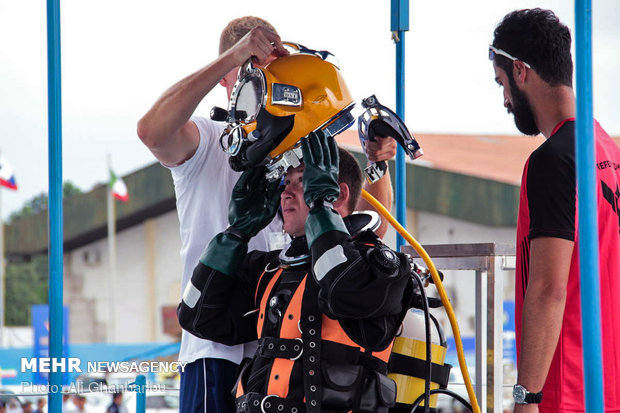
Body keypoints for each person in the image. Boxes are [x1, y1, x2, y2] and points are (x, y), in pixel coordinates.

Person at [137, 16, 396, 413]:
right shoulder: (208, 141)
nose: (269, 79)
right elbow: (151, 131)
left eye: (275, 67)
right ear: (228, 75)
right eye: (256, 68)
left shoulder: (297, 148)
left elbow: (361, 223)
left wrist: (377, 165)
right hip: (216, 349)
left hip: (282, 351)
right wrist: (234, 57)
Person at [178, 132, 413, 413]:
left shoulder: (382, 268)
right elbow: (195, 315)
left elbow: (341, 289)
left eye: (303, 181)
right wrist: (235, 235)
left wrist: (321, 209)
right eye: (285, 182)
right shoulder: (268, 270)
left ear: (337, 194)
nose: (286, 193)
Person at [489, 8, 620, 412]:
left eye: (502, 83)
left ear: (520, 70)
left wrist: (526, 396)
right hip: (607, 383)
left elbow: (549, 287)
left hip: (565, 389)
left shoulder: (553, 160)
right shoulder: (608, 151)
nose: (506, 99)